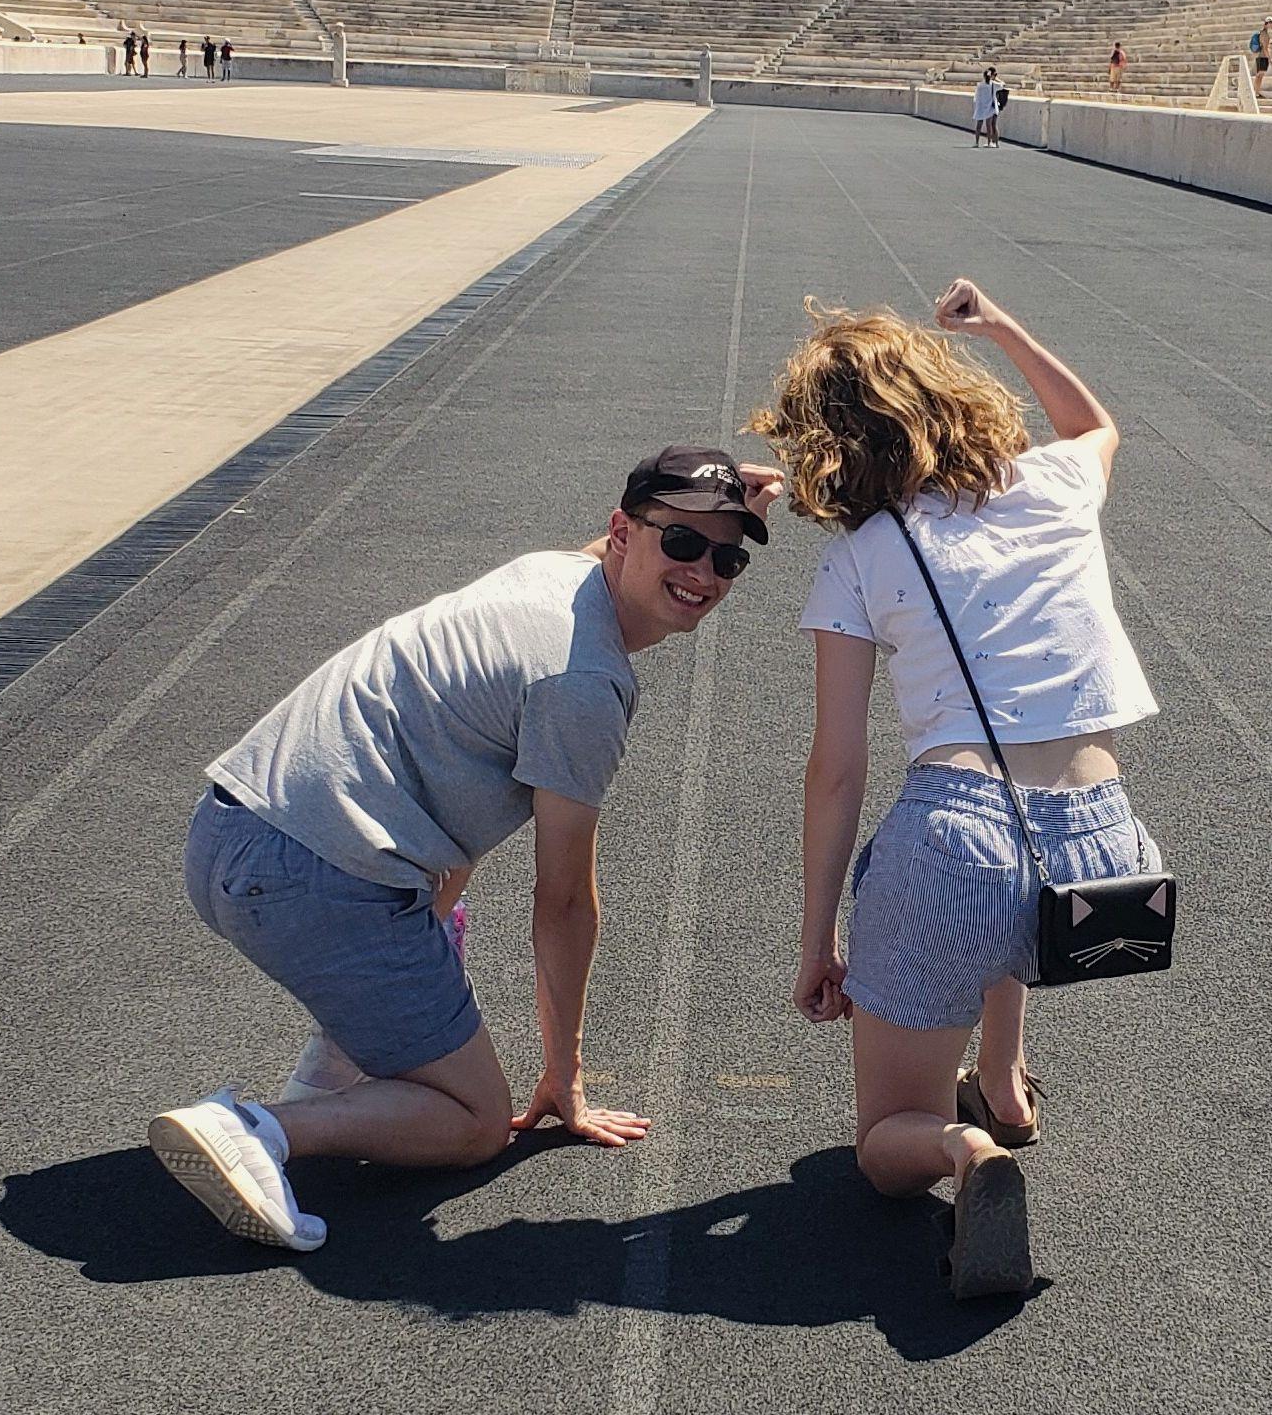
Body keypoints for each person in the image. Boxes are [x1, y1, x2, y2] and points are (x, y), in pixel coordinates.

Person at [149, 448, 786, 1253]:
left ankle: (328, 1078)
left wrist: (716, 520)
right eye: (683, 545)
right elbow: (562, 901)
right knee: (477, 1121)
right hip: (312, 882)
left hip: (228, 834)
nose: (706, 573)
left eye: (728, 557)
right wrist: (564, 1075)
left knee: (441, 899)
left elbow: (634, 580)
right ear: (622, 530)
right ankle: (254, 1128)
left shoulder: (549, 572)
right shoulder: (582, 684)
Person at [750, 283, 1163, 1299]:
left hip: (956, 839)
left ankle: (969, 1154)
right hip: (1106, 841)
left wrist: (818, 943)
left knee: (885, 1141)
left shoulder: (860, 558)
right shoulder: (1057, 484)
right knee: (1005, 894)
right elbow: (1097, 423)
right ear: (949, 394)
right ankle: (1007, 1089)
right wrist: (1008, 328)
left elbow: (834, 768)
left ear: (827, 446)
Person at [972, 67, 1000, 149]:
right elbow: (1003, 85)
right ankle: (989, 142)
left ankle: (976, 142)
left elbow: (976, 96)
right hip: (989, 107)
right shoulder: (993, 84)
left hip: (980, 106)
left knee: (978, 126)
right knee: (989, 126)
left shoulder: (980, 85)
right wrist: (996, 78)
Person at [1249, 19, 1272, 100]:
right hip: (1263, 56)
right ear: (1267, 24)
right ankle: (1256, 92)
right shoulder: (1265, 34)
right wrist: (1269, 59)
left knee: (1259, 75)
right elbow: (1265, 48)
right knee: (1260, 75)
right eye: (1271, 23)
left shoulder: (1261, 33)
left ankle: (1256, 92)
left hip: (1260, 55)